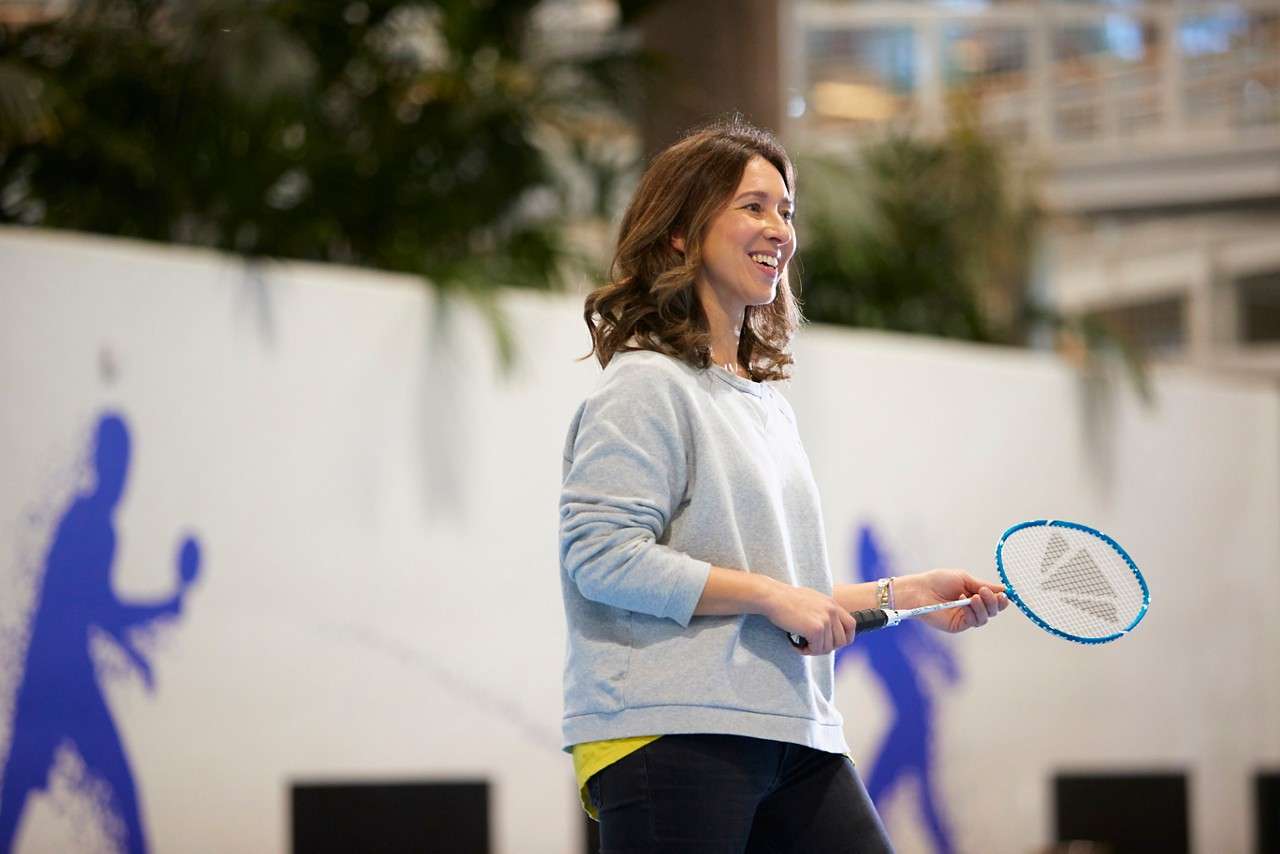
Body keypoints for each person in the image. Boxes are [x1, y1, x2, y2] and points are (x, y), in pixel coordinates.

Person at [557, 118, 1009, 853]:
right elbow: (601, 555)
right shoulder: (644, 385)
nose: (780, 230)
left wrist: (906, 596)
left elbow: (784, 594)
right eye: (753, 206)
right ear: (680, 233)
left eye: (786, 210)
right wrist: (772, 595)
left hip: (792, 731)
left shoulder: (766, 406)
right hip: (671, 731)